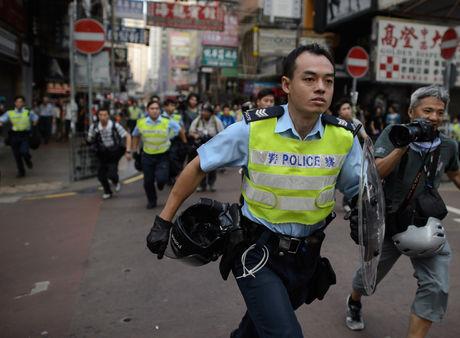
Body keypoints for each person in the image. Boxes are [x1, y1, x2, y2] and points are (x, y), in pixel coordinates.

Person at [146, 44, 362, 337]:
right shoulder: (252, 129)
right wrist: (164, 220)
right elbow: (198, 166)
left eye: (328, 81)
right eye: (309, 79)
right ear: (286, 85)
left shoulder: (345, 137)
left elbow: (357, 188)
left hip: (306, 257)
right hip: (256, 252)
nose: (321, 88)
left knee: (257, 328)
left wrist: (367, 208)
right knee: (284, 334)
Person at [345, 85, 460, 337]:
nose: (434, 118)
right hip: (389, 224)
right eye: (427, 111)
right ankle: (355, 301)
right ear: (412, 112)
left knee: (436, 286)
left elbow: (456, 173)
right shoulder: (394, 133)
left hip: (425, 225)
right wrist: (403, 145)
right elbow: (377, 172)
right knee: (368, 279)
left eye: (440, 112)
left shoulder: (447, 145)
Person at [131, 101, 186, 209]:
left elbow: (180, 130)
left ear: (160, 110)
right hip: (147, 155)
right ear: (147, 110)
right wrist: (134, 150)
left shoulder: (167, 121)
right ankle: (152, 200)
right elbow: (135, 135)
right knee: (148, 181)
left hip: (163, 155)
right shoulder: (141, 122)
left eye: (156, 109)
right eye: (152, 108)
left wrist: (184, 143)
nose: (154, 111)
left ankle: (161, 182)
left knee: (162, 179)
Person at [87, 106, 132, 199]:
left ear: (108, 116)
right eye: (100, 115)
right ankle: (107, 191)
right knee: (101, 175)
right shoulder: (94, 127)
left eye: (105, 115)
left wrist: (128, 151)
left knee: (112, 174)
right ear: (98, 116)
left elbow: (127, 136)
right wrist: (91, 142)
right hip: (101, 153)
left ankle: (115, 182)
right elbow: (89, 138)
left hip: (113, 153)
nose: (102, 117)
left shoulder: (115, 125)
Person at [0, 96, 39, 177]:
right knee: (17, 155)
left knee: (24, 151)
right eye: (17, 102)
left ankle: (28, 160)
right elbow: (1, 120)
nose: (19, 103)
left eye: (21, 102)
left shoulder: (28, 112)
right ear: (15, 103)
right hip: (14, 136)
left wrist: (33, 128)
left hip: (25, 135)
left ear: (23, 103)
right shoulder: (10, 113)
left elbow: (35, 119)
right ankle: (21, 171)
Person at [189, 104, 224, 192]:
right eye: (203, 111)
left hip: (213, 146)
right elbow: (190, 132)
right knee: (201, 166)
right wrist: (196, 135)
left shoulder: (216, 121)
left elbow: (223, 133)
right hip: (201, 146)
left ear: (211, 113)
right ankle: (202, 185)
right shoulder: (198, 120)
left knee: (212, 166)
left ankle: (211, 184)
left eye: (207, 111)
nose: (204, 113)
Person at [162, 99, 187, 183]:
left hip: (175, 141)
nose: (172, 108)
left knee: (174, 158)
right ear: (165, 107)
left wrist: (184, 141)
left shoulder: (177, 116)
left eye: (173, 106)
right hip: (164, 141)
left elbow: (182, 128)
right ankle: (168, 176)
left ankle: (174, 175)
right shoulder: (160, 117)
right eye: (170, 105)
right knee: (166, 160)